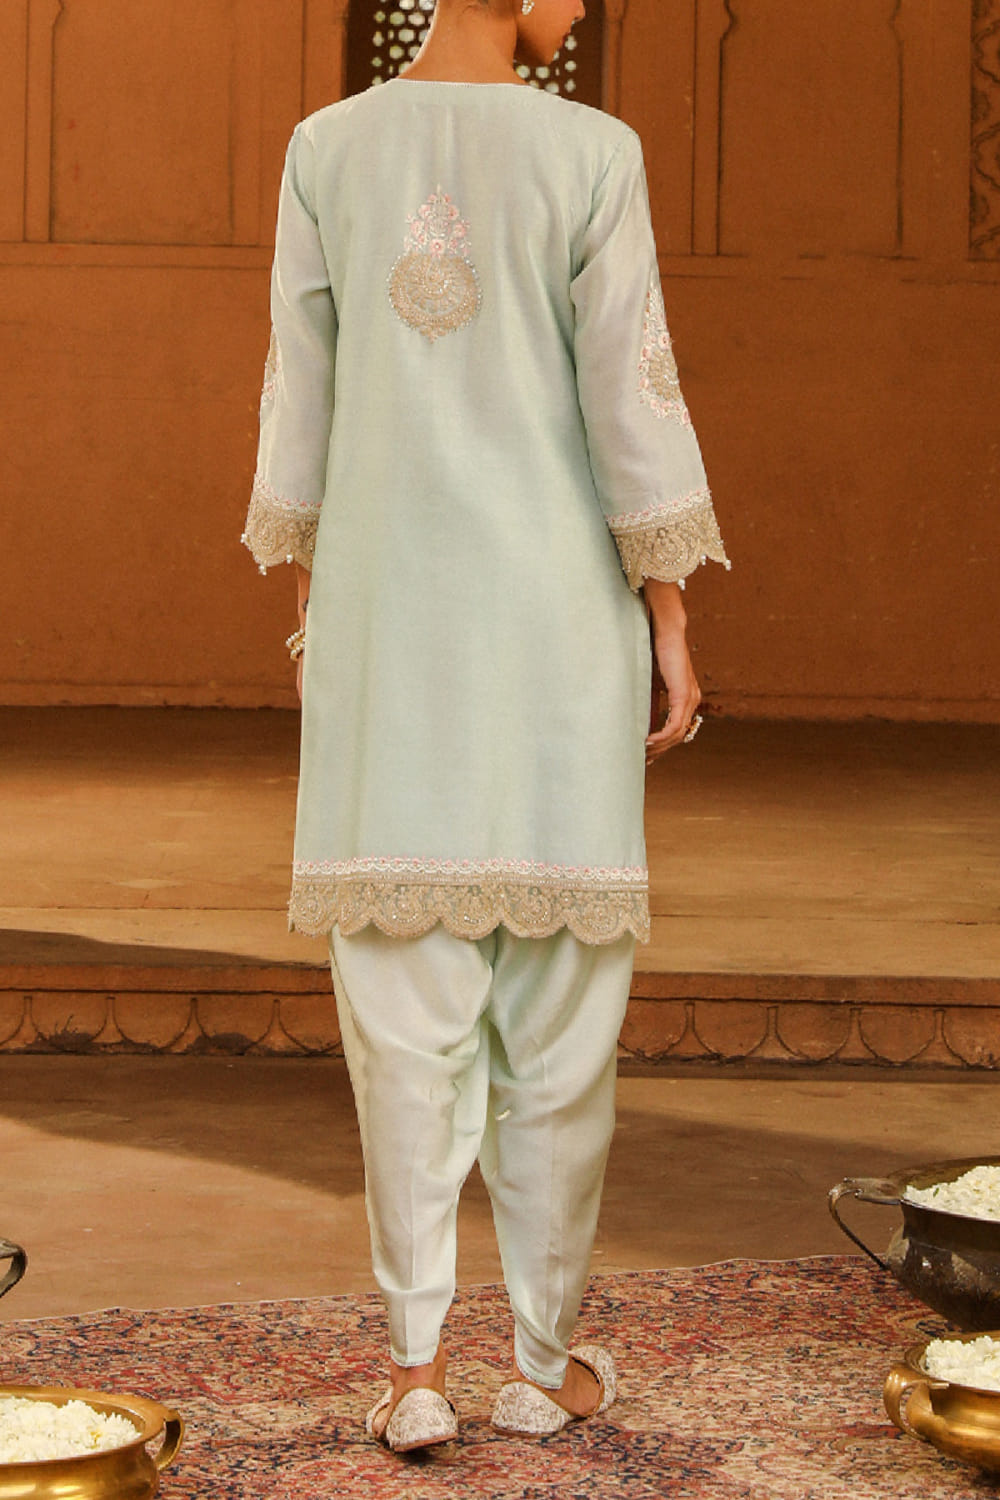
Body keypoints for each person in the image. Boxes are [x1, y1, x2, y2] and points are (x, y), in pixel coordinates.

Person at [242, 0, 728, 1454]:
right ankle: (541, 1362)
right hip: (553, 626)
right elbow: (629, 392)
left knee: (402, 1025)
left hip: (391, 627)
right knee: (561, 1028)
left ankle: (412, 1375)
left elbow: (301, 394)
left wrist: (331, 601)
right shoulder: (593, 153)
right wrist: (669, 613)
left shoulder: (325, 148)